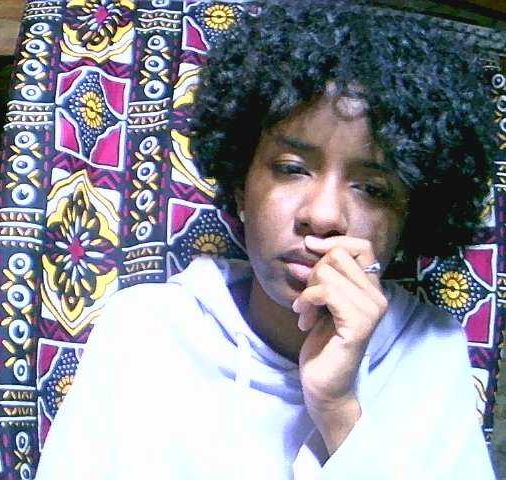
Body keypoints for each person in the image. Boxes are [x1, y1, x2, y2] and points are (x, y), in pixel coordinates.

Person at [36, 1, 496, 478]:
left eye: (372, 189)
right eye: (292, 169)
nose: (323, 216)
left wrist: (338, 410)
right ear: (241, 187)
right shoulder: (144, 329)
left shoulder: (430, 348)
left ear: (409, 220)